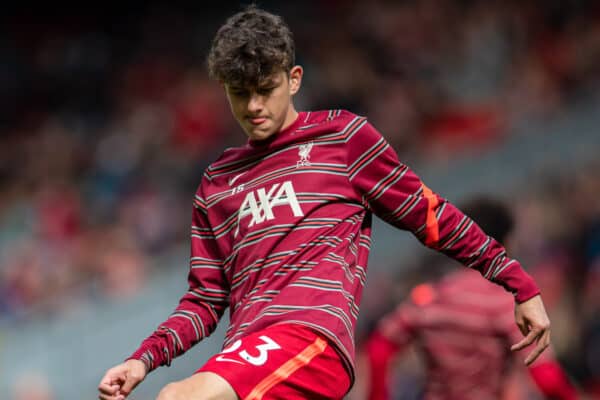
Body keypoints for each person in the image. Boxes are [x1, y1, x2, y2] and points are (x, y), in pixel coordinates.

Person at [98, 6, 551, 400]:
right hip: (247, 357)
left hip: (310, 340)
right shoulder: (219, 181)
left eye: (265, 88)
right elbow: (204, 299)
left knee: (181, 396)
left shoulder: (343, 139)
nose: (254, 106)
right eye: (240, 94)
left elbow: (430, 216)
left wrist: (517, 283)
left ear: (294, 79)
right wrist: (142, 360)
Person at [364, 197, 577, 400]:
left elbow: (378, 349)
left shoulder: (433, 296)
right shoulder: (502, 302)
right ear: (505, 244)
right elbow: (546, 376)